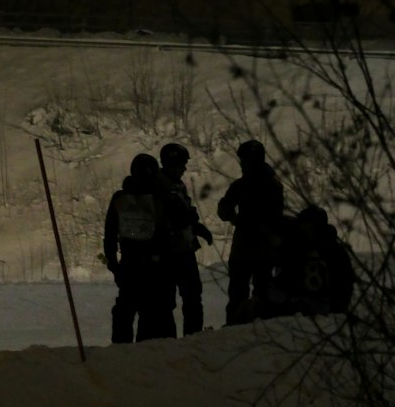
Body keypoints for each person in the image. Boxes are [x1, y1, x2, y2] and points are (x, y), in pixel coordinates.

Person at [103, 153, 173, 343]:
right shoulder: (160, 198)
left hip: (129, 264)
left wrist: (113, 263)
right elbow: (171, 230)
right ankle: (142, 354)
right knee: (148, 314)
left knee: (124, 311)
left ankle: (121, 350)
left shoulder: (120, 198)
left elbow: (110, 233)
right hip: (154, 267)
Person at [217, 139, 284, 324]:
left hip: (248, 248)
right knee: (258, 293)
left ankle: (239, 326)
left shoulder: (246, 184)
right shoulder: (271, 184)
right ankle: (257, 327)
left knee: (243, 294)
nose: (241, 164)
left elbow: (224, 209)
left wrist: (236, 219)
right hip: (259, 248)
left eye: (244, 160)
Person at [157, 143, 212, 336]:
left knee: (192, 296)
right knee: (167, 302)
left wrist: (196, 227)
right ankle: (169, 340)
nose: (184, 168)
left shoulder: (177, 185)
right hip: (167, 252)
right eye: (181, 164)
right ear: (171, 163)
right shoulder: (159, 185)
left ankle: (192, 337)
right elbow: (171, 216)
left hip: (184, 249)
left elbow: (184, 213)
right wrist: (189, 219)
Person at [266, 205, 355, 318]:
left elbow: (344, 283)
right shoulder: (298, 247)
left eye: (304, 223)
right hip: (305, 306)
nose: (300, 227)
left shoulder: (333, 251)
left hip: (324, 307)